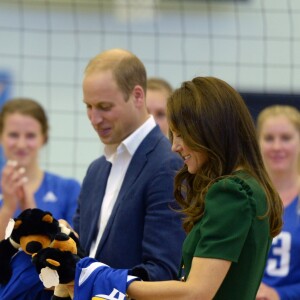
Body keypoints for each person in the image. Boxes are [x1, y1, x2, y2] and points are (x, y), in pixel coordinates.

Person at [76, 76, 283, 300]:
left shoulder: (230, 192)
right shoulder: (251, 187)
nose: (175, 146)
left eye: (182, 135)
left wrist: (109, 279)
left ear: (210, 129)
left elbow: (196, 293)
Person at [72, 48, 185, 281]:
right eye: (88, 106)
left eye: (104, 107)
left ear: (137, 96)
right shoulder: (96, 170)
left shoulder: (168, 167)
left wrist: (94, 283)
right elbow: (81, 255)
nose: (94, 119)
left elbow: (162, 273)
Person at [0, 98, 81, 299]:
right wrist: (8, 206)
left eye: (30, 135)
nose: (21, 143)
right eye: (13, 135)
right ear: (1, 136)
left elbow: (73, 251)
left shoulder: (67, 188)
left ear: (43, 137)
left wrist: (29, 203)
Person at [256, 105, 300, 300]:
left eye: (286, 138)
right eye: (269, 138)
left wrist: (279, 294)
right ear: (257, 142)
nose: (276, 147)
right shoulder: (244, 195)